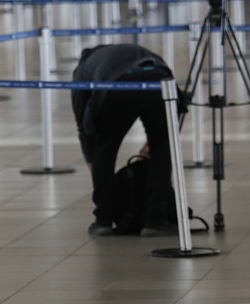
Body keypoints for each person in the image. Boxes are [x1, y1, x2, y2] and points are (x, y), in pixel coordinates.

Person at [71, 44, 177, 237]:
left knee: (105, 150)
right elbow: (174, 103)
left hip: (117, 85)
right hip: (159, 80)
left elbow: (84, 129)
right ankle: (155, 222)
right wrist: (150, 146)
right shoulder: (137, 51)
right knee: (162, 151)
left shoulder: (83, 70)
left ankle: (103, 221)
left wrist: (95, 166)